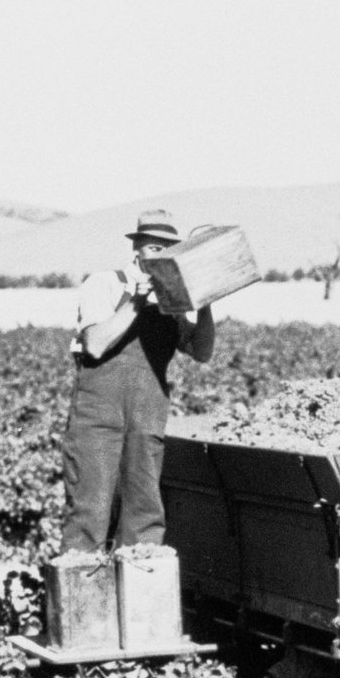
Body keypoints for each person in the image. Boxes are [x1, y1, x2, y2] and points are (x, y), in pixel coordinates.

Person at [61, 209, 216, 552]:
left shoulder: (171, 301)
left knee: (143, 515)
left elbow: (201, 351)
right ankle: (84, 601)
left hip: (147, 414)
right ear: (137, 250)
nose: (161, 255)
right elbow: (96, 343)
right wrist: (136, 300)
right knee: (89, 512)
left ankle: (139, 597)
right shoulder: (105, 283)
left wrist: (204, 304)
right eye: (154, 248)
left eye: (168, 249)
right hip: (98, 416)